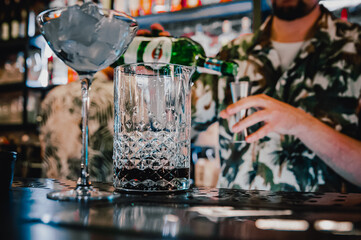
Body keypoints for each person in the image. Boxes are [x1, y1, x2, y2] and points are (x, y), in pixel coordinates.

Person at [192, 0, 361, 192]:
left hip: (324, 219)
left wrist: (302, 124)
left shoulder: (355, 49)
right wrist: (158, 75)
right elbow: (175, 125)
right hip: (239, 218)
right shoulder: (234, 54)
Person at [39, 24, 170, 182]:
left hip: (55, 196)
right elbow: (166, 142)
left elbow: (44, 152)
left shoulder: (53, 96)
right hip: (109, 199)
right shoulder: (129, 96)